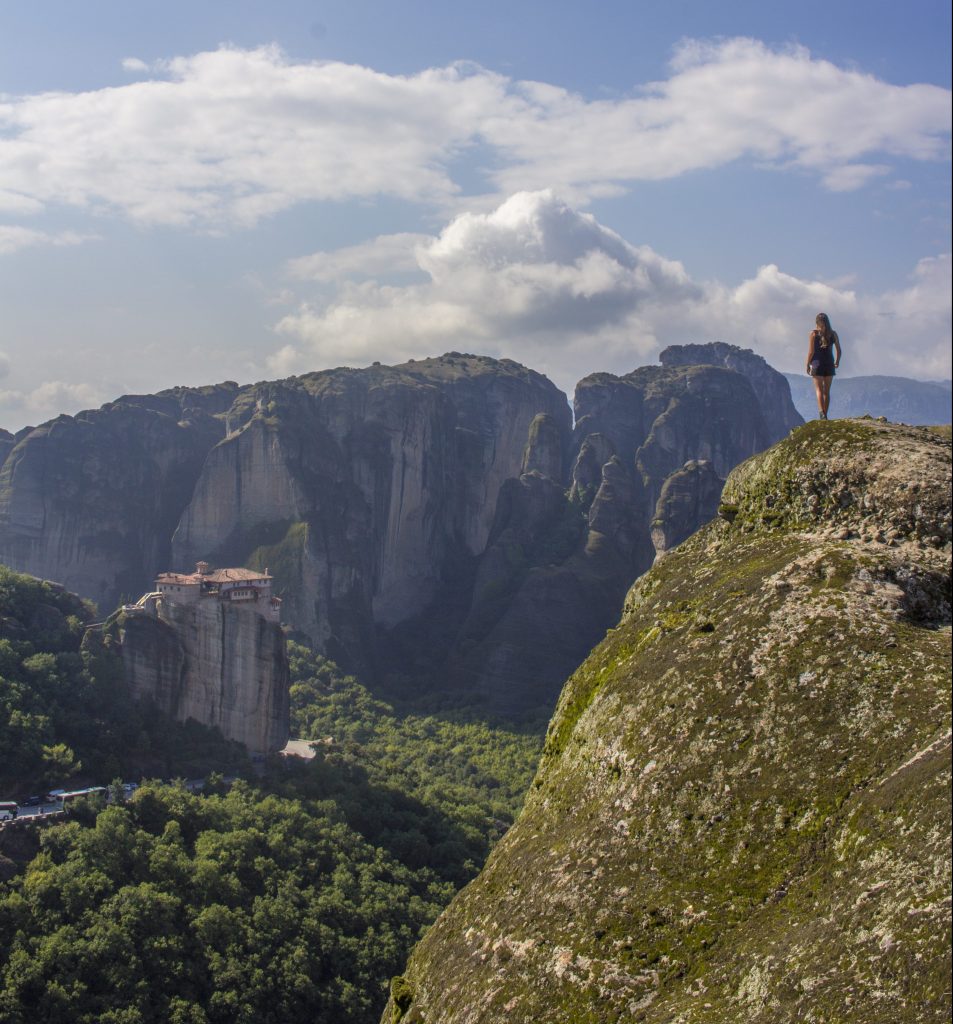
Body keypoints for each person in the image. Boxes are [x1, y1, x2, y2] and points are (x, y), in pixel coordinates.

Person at [806, 312, 841, 419]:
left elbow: (811, 352)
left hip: (816, 363)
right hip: (829, 363)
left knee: (819, 390)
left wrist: (807, 364)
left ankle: (822, 414)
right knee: (826, 391)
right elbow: (839, 350)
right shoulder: (833, 334)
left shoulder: (813, 334)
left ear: (817, 322)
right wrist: (837, 362)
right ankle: (825, 414)